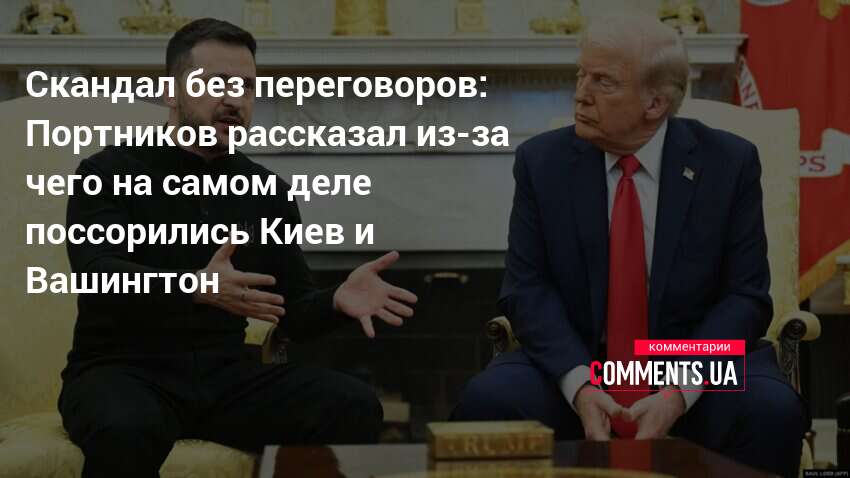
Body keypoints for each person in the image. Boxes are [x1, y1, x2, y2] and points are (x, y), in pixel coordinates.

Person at [452, 12, 808, 478]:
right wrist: (581, 386)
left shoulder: (728, 163)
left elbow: (746, 297)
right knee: (487, 401)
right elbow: (527, 290)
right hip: (580, 362)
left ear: (655, 103)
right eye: (581, 75)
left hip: (692, 364)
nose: (581, 94)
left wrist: (678, 390)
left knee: (771, 410)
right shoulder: (542, 162)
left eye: (603, 82)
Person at [59, 18, 418, 478]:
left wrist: (336, 301)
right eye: (216, 83)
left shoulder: (266, 190)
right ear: (170, 91)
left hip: (223, 377)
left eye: (246, 86)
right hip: (122, 370)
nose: (234, 100)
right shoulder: (107, 171)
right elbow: (100, 274)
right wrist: (195, 287)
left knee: (353, 404)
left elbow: (292, 311)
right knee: (128, 427)